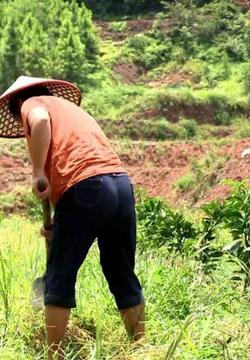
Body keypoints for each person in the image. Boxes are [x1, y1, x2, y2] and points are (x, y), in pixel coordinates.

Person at [0, 76, 145, 359]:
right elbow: (79, 166)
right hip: (120, 185)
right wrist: (58, 223)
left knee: (59, 275)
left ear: (17, 106)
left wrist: (38, 172)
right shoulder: (71, 111)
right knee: (121, 271)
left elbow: (40, 122)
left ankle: (52, 354)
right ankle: (142, 348)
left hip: (88, 187)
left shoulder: (32, 104)